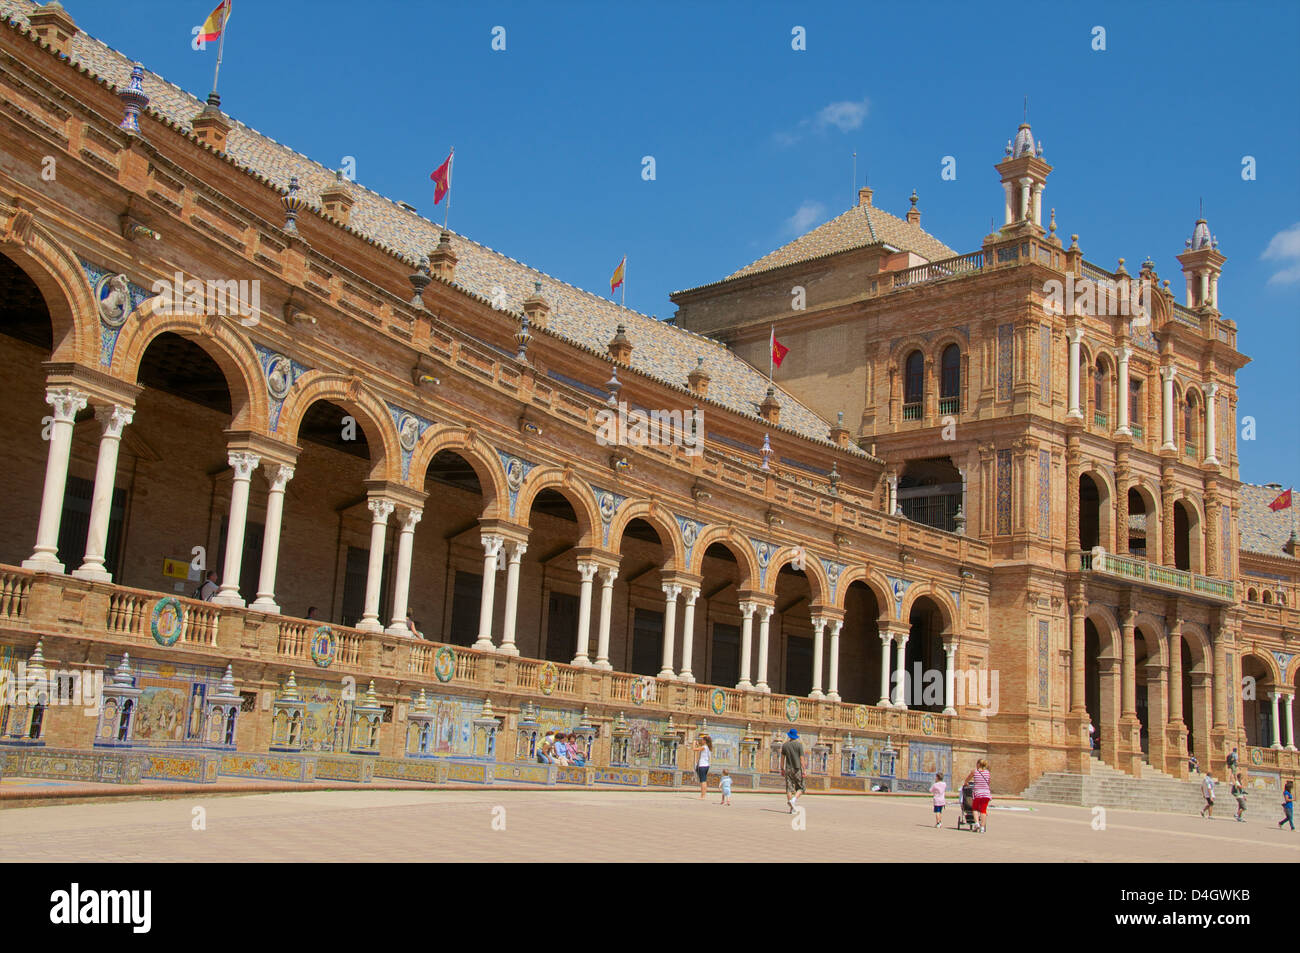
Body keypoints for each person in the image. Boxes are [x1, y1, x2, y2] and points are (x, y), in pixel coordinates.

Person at [781, 728, 806, 813]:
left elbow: (782, 758)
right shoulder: (799, 745)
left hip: (788, 769)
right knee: (801, 788)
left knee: (789, 788)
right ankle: (794, 800)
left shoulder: (785, 745)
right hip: (797, 769)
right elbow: (802, 759)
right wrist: (804, 770)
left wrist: (782, 768)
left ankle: (792, 808)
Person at [964, 759, 992, 833]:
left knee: (975, 809)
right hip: (986, 794)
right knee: (983, 810)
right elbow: (988, 782)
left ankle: (976, 824)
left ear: (979, 764)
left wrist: (966, 783)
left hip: (978, 793)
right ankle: (982, 827)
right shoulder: (988, 773)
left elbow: (967, 779)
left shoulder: (975, 771)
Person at [692, 733, 713, 799]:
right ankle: (703, 794)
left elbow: (694, 749)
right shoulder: (708, 748)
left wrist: (694, 743)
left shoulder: (704, 747)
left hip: (702, 765)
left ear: (705, 741)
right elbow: (701, 748)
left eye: (702, 740)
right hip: (706, 765)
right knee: (704, 780)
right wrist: (698, 745)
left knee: (702, 781)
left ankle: (702, 795)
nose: (701, 741)